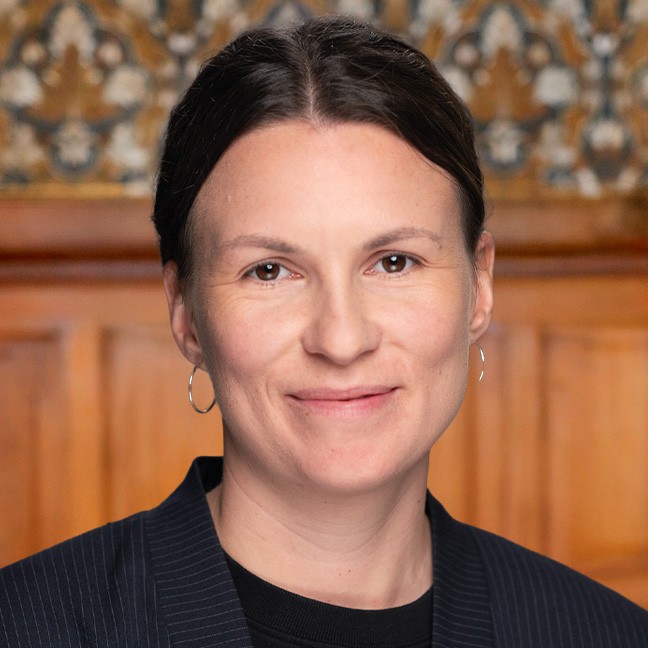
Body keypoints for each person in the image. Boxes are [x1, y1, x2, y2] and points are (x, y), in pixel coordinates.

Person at [0, 15, 646, 648]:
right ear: (186, 313)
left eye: (394, 262)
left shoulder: (607, 634)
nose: (341, 340)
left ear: (478, 287)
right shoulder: (25, 626)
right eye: (270, 271)